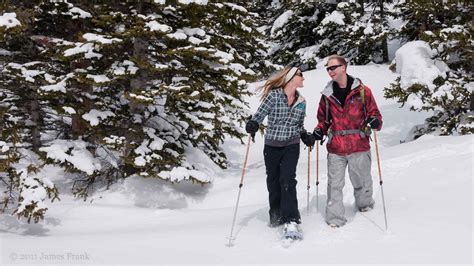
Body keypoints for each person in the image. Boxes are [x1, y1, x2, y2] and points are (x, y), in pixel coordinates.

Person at [312, 55, 382, 228]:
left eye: (333, 67)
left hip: (359, 144)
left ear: (343, 67)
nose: (330, 71)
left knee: (362, 181)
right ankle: (335, 219)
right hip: (336, 147)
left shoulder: (363, 91)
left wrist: (375, 121)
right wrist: (320, 130)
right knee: (334, 185)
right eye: (328, 69)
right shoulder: (327, 95)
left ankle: (365, 205)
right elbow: (323, 120)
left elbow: (375, 114)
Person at [245, 66, 315, 237]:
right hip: (272, 145)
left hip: (291, 144)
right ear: (291, 78)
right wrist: (253, 124)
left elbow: (298, 126)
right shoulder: (274, 96)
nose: (303, 79)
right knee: (274, 181)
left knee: (287, 179)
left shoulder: (302, 102)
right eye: (301, 76)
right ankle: (276, 215)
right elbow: (259, 115)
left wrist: (305, 136)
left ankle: (291, 219)